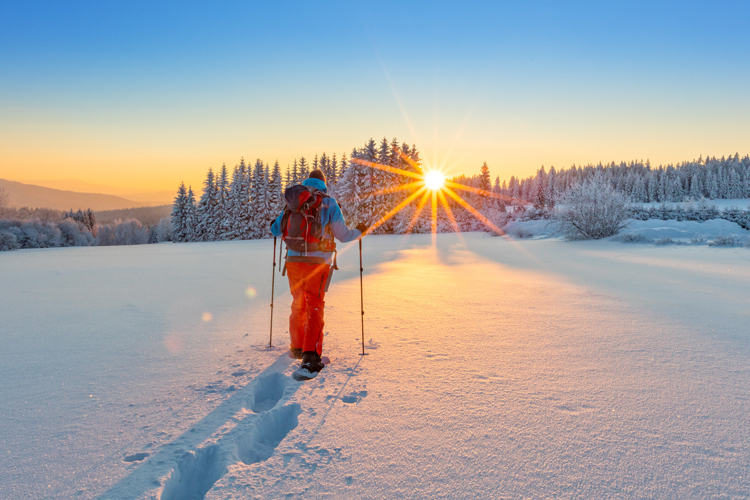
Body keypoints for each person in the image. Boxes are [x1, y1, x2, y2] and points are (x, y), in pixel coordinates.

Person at [271, 169, 367, 377]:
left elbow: (276, 230)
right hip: (317, 262)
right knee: (314, 305)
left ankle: (297, 347)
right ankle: (311, 357)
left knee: (298, 302)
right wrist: (360, 230)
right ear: (323, 184)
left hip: (293, 262)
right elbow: (342, 235)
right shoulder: (329, 203)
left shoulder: (293, 200)